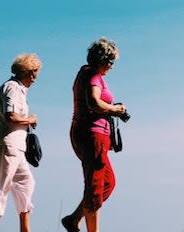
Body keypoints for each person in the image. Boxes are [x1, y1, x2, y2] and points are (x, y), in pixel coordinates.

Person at [61, 37, 128, 232]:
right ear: (102, 60)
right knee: (95, 187)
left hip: (93, 135)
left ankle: (73, 220)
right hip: (92, 135)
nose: (112, 67)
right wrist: (115, 110)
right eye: (111, 62)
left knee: (107, 183)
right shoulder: (92, 76)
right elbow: (94, 103)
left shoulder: (86, 73)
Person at [0, 54, 42, 232]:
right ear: (26, 72)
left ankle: (25, 228)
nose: (34, 78)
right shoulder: (13, 88)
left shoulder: (15, 88)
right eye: (33, 74)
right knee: (2, 185)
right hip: (7, 144)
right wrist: (30, 119)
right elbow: (11, 117)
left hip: (12, 145)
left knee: (26, 182)